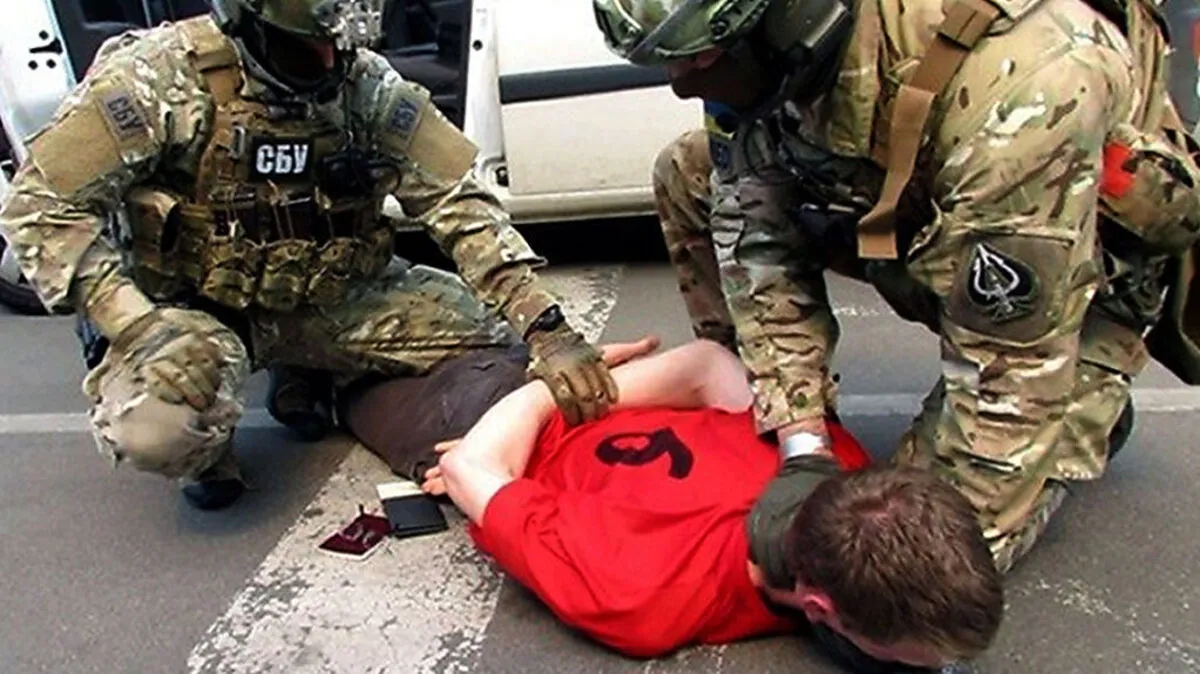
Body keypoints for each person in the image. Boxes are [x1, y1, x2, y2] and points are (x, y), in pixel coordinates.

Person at [590, 0, 1200, 576]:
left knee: (907, 568)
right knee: (689, 169)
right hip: (921, 216)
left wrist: (895, 562)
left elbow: (1008, 365)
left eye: (700, 56)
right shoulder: (773, 54)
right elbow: (757, 237)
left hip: (1070, 284)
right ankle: (755, 412)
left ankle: (1084, 396)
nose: (682, 84)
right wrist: (802, 446)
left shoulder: (1024, 86)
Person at [0, 0, 617, 510]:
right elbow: (38, 205)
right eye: (308, 50)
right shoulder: (158, 78)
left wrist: (547, 328)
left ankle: (310, 376)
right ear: (250, 23)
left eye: (338, 47)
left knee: (498, 342)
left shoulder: (364, 85)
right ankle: (209, 452)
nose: (328, 63)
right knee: (158, 427)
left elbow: (459, 201)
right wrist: (136, 324)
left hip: (335, 298)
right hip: (200, 313)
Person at [399, 338, 1004, 670]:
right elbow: (707, 363)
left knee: (399, 362)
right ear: (820, 607)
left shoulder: (840, 468)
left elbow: (468, 469)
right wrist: (558, 392)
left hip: (490, 414)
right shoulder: (646, 595)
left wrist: (561, 397)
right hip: (522, 406)